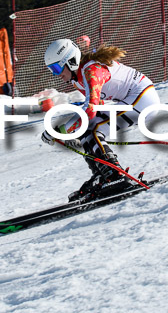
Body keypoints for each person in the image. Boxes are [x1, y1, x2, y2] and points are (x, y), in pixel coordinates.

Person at [41, 38, 160, 201]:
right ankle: (102, 174)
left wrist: (61, 130)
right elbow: (96, 107)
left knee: (92, 128)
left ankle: (114, 175)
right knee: (86, 129)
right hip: (133, 99)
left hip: (143, 99)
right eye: (51, 70)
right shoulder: (78, 78)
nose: (56, 74)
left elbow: (90, 110)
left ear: (70, 61)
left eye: (56, 68)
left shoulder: (91, 71)